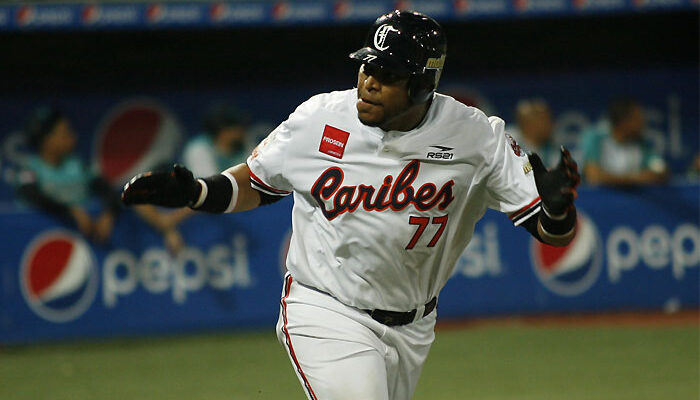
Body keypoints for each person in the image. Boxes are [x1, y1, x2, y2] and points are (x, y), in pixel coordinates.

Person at [122, 10, 580, 400]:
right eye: (366, 67)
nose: (369, 82)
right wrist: (196, 194)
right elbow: (258, 183)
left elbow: (551, 232)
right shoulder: (319, 119)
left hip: (414, 326)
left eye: (388, 75)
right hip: (326, 308)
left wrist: (558, 209)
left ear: (423, 84)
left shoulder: (476, 137)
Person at [16, 106, 184, 251]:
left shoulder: (79, 166)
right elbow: (32, 196)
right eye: (65, 133)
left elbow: (109, 192)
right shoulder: (29, 168)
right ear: (48, 140)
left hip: (88, 244)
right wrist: (71, 211)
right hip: (39, 245)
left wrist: (109, 214)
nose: (73, 137)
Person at [580, 98, 668, 186]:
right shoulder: (596, 137)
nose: (642, 123)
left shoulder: (642, 144)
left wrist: (620, 180)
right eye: (637, 119)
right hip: (598, 195)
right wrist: (635, 179)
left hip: (631, 195)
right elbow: (594, 176)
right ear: (624, 121)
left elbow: (661, 172)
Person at [182, 104, 250, 177]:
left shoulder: (243, 147)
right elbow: (208, 180)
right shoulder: (198, 148)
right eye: (235, 128)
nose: (241, 131)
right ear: (223, 131)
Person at [514, 98, 559, 167]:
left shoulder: (550, 149)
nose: (550, 124)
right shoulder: (508, 140)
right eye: (543, 120)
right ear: (529, 123)